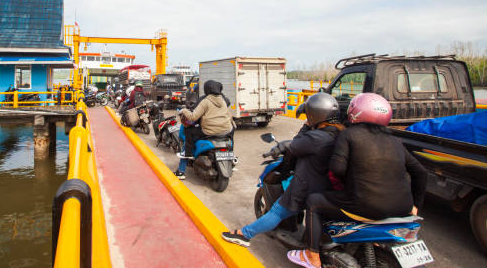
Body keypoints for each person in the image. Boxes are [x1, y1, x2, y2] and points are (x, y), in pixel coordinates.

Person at [287, 93, 428, 268]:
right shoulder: (394, 140)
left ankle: (312, 255)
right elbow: (421, 173)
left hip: (366, 205)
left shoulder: (349, 135)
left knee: (314, 202)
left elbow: (337, 168)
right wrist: (415, 205)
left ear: (356, 112)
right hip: (403, 209)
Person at [221, 92, 343, 247]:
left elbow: (296, 145)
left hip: (306, 186)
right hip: (326, 187)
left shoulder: (315, 137)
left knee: (277, 212)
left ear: (315, 115)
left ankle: (244, 235)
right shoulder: (338, 132)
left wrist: (306, 126)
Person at [174, 80, 234, 179]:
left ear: (207, 89)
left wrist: (184, 110)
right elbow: (228, 114)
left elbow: (193, 117)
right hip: (226, 130)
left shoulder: (205, 100)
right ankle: (231, 152)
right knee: (232, 132)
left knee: (188, 131)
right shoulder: (223, 100)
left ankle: (185, 159)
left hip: (209, 131)